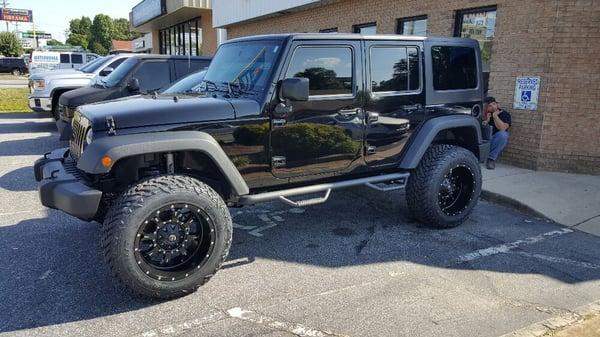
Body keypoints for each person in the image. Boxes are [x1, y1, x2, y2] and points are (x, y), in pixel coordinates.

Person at [482, 96, 511, 169]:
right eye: (489, 106)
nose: (493, 107)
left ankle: (491, 159)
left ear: (497, 104)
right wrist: (486, 120)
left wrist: (495, 116)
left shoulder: (505, 114)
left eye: (494, 104)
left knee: (503, 135)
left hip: (495, 141)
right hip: (484, 140)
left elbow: (503, 128)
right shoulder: (485, 114)